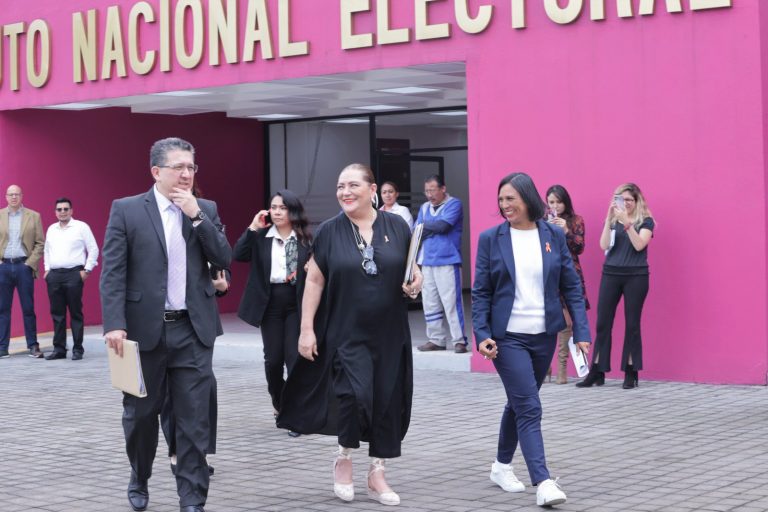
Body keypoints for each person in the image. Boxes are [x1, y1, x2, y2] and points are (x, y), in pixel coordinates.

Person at [277, 163, 422, 506]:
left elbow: (411, 268)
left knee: (386, 400)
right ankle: (343, 457)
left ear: (372, 190)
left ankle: (377, 472)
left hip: (390, 332)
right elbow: (314, 281)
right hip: (345, 331)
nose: (345, 192)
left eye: (353, 185)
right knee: (353, 397)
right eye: (341, 186)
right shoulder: (329, 231)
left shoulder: (398, 226)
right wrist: (306, 329)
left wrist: (416, 280)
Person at [100, 137, 231, 512]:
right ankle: (139, 474)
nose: (187, 174)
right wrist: (114, 323)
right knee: (140, 415)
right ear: (156, 171)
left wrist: (196, 215)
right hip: (142, 333)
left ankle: (192, 498)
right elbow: (113, 272)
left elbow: (223, 256)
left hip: (193, 330)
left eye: (191, 167)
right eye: (179, 167)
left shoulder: (205, 208)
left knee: (193, 419)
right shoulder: (127, 210)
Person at [472, 172, 590, 508]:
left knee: (519, 402)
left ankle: (501, 466)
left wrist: (581, 332)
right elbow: (481, 292)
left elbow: (570, 286)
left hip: (544, 336)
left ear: (527, 198)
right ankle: (543, 481)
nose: (504, 205)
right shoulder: (491, 239)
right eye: (501, 199)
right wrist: (482, 335)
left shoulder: (552, 234)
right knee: (529, 405)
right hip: (507, 338)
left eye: (510, 198)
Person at [233, 189, 311, 438]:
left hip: (296, 303)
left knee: (294, 359)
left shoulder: (306, 239)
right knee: (273, 361)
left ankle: (295, 414)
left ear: (292, 211)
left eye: (282, 208)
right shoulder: (261, 237)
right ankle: (279, 403)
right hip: (270, 304)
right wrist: (252, 227)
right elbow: (238, 255)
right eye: (273, 207)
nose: (277, 212)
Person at [576, 183, 655, 390]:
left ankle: (631, 371)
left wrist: (627, 224)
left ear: (637, 201)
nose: (624, 203)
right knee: (603, 323)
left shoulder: (646, 221)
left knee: (632, 324)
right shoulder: (613, 220)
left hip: (636, 276)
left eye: (628, 199)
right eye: (620, 199)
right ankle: (597, 371)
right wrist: (609, 218)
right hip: (611, 274)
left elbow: (639, 244)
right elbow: (603, 245)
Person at [162, 268, 230, 477]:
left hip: (198, 319)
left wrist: (223, 282)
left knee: (206, 386)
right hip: (161, 321)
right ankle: (177, 451)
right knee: (170, 391)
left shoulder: (199, 241)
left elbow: (221, 262)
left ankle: (200, 451)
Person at [415, 174, 467, 353]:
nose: (429, 194)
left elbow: (443, 226)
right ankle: (436, 339)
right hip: (426, 260)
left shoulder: (454, 204)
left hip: (448, 259)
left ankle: (459, 340)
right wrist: (430, 226)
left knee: (451, 302)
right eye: (426, 191)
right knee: (429, 302)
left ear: (443, 189)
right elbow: (417, 230)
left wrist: (426, 225)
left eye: (432, 190)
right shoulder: (424, 207)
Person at [43, 197, 99, 361]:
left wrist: (87, 270)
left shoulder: (81, 227)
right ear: (55, 212)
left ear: (71, 211)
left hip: (74, 274)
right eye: (59, 209)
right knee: (57, 314)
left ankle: (78, 349)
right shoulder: (52, 229)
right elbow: (47, 250)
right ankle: (59, 349)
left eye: (65, 209)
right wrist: (47, 270)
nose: (62, 212)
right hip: (54, 276)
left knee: (75, 313)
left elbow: (93, 249)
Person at [545, 185, 589, 384]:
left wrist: (565, 230)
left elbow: (579, 248)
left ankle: (561, 368)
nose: (555, 206)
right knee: (550, 321)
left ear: (566, 202)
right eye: (551, 202)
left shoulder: (576, 220)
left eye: (558, 202)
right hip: (549, 275)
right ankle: (546, 367)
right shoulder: (542, 222)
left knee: (568, 322)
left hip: (570, 274)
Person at [0, 184, 44, 359]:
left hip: (23, 267)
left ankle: (33, 345)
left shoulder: (33, 216)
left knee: (28, 308)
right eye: (10, 194)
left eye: (16, 194)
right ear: (6, 197)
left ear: (22, 196)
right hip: (3, 267)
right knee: (3, 309)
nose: (14, 197)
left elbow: (40, 243)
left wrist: (29, 263)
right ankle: (2, 347)